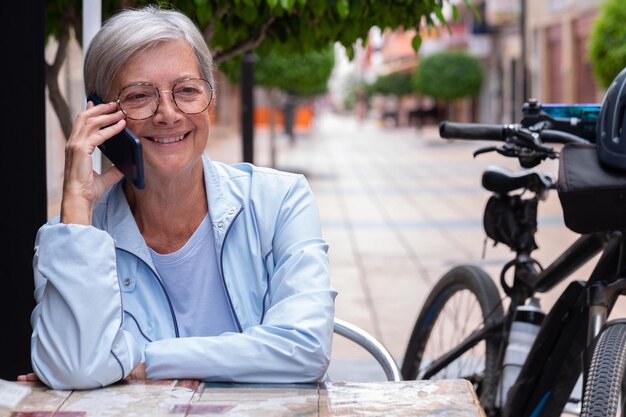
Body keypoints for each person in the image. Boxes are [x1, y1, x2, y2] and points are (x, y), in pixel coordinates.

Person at [22, 4, 336, 390]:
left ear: (211, 99)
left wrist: (140, 359)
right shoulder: (74, 235)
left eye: (187, 90)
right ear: (102, 117)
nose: (168, 114)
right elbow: (74, 368)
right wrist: (76, 201)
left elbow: (304, 348)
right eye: (139, 96)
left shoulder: (280, 201)